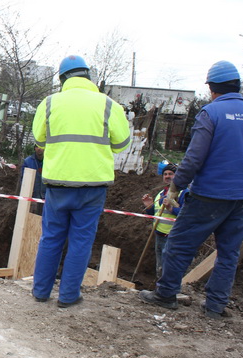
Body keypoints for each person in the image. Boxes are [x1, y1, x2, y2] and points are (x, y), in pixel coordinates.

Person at [139, 61, 243, 319]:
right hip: (242, 197)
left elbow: (194, 158)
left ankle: (166, 294)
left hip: (209, 194)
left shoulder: (211, 114)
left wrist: (175, 188)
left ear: (211, 88)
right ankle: (216, 306)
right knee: (229, 252)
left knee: (179, 243)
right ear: (237, 85)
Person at [31, 55, 131, 308]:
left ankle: (41, 291)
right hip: (93, 186)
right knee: (81, 241)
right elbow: (121, 143)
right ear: (88, 76)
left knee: (51, 237)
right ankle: (68, 296)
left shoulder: (50, 103)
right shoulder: (108, 104)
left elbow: (39, 140)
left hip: (57, 185)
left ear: (62, 79)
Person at [141, 162, 187, 278]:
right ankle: (158, 287)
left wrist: (171, 208)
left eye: (171, 174)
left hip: (173, 237)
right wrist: (150, 206)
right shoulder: (161, 194)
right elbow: (156, 213)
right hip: (159, 235)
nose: (167, 176)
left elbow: (186, 215)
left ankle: (167, 288)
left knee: (169, 266)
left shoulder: (183, 193)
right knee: (160, 266)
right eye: (165, 174)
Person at [19, 144, 46, 214]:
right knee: (31, 215)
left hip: (45, 195)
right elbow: (23, 179)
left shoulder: (49, 161)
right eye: (37, 147)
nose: (39, 149)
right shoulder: (28, 161)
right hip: (33, 195)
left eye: (41, 147)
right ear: (34, 148)